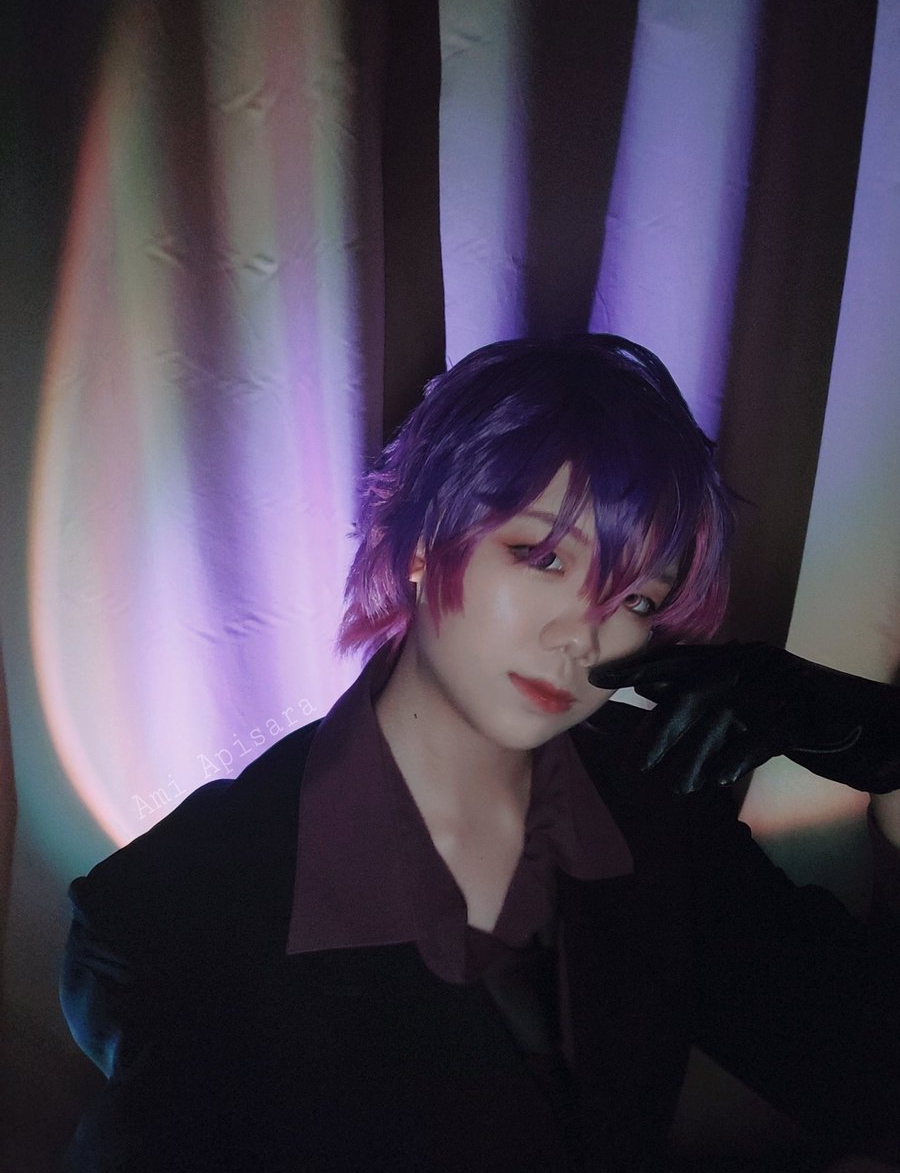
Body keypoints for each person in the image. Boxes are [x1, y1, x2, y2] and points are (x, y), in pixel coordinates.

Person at [60, 335, 900, 1171]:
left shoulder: (654, 806)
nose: (581, 634)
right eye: (543, 557)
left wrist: (890, 752)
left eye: (638, 599)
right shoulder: (180, 909)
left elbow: (871, 1074)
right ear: (423, 540)